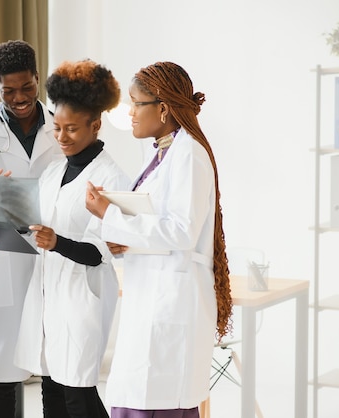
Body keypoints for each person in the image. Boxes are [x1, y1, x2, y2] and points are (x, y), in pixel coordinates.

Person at [85, 61, 234, 418]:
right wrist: (119, 236)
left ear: (163, 108)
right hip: (153, 298)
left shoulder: (189, 154)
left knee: (151, 404)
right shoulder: (162, 153)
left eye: (137, 104)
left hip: (171, 304)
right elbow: (157, 221)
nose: (131, 113)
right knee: (140, 399)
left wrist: (110, 215)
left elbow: (181, 231)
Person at [14, 59, 130, 418]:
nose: (62, 138)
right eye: (58, 128)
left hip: (83, 300)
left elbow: (102, 252)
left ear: (95, 125)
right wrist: (8, 209)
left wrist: (57, 242)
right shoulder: (54, 170)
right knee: (52, 394)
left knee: (78, 395)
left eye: (72, 130)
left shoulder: (111, 178)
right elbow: (38, 223)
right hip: (50, 299)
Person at [0, 40, 62, 418]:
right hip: (4, 258)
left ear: (38, 79)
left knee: (54, 362)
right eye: (9, 90)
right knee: (3, 364)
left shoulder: (60, 129)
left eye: (27, 87)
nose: (19, 97)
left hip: (51, 254)